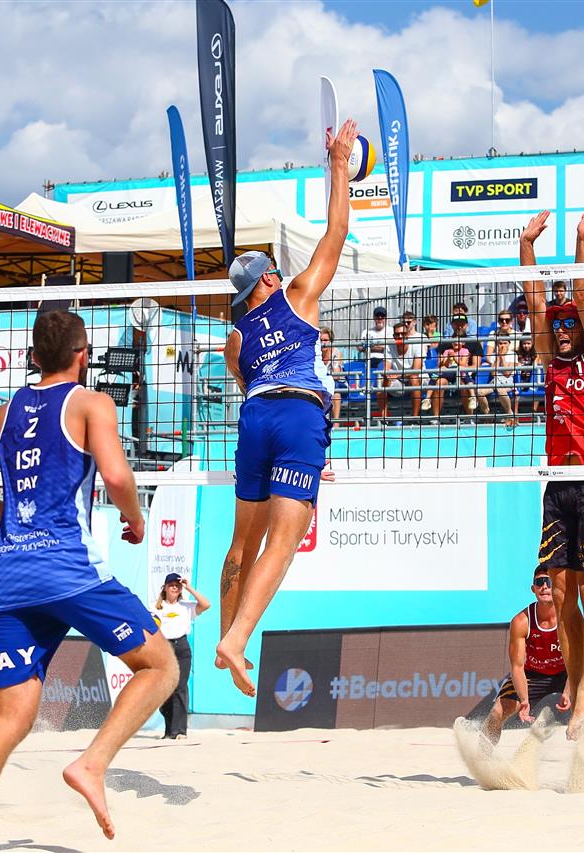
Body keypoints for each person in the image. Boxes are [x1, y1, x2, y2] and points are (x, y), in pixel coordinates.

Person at [0, 310, 175, 852]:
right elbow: (116, 475)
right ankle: (91, 765)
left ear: (32, 357)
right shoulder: (92, 403)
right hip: (69, 570)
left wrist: (14, 518)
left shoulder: (4, 414)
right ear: (82, 355)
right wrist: (135, 518)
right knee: (160, 666)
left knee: (11, 718)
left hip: (10, 579)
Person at [213, 120, 359, 697]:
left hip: (254, 418)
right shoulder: (298, 295)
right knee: (283, 542)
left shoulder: (236, 337)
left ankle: (227, 640)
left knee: (241, 545)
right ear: (270, 278)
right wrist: (339, 164)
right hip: (298, 415)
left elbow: (245, 378)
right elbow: (337, 230)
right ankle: (237, 639)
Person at [520, 205, 584, 737]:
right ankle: (577, 679)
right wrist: (527, 246)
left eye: (568, 325)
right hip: (557, 485)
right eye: (556, 326)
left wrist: (582, 241)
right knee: (559, 594)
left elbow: (582, 299)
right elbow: (536, 300)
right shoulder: (550, 361)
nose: (561, 330)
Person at [481, 571, 584, 744]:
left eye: (549, 581)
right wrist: (524, 700)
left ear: (557, 585)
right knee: (497, 712)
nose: (545, 586)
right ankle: (481, 755)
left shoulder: (570, 616)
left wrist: (569, 691)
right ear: (533, 588)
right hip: (534, 674)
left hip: (569, 670)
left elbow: (578, 658)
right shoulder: (522, 621)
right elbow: (517, 667)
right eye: (540, 582)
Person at [150, 573, 211, 740]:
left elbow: (206, 604)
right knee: (165, 689)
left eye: (177, 585)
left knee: (180, 687)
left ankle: (180, 731)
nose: (174, 587)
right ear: (165, 588)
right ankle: (169, 730)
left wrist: (189, 587)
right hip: (163, 648)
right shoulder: (155, 607)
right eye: (171, 584)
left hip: (182, 648)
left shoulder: (186, 606)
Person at [378, 322, 423, 422]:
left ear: (408, 335)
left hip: (417, 380)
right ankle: (384, 418)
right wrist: (388, 375)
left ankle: (415, 418)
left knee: (414, 379)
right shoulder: (389, 346)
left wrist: (398, 374)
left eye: (403, 333)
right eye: (397, 334)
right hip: (399, 381)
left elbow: (416, 371)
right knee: (383, 381)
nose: (400, 336)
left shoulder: (416, 345)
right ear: (394, 336)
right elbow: (386, 368)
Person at [318, 327, 345, 422]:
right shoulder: (315, 353)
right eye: (320, 340)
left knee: (335, 390)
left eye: (325, 340)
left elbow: (337, 375)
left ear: (330, 341)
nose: (323, 343)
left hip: (338, 382)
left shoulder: (336, 353)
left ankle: (336, 422)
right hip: (320, 383)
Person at [360, 306, 389, 377]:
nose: (380, 318)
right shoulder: (366, 331)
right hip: (368, 360)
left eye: (382, 316)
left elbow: (388, 348)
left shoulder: (391, 331)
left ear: (386, 318)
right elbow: (360, 348)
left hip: (384, 360)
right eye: (377, 316)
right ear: (374, 317)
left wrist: (369, 347)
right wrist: (380, 347)